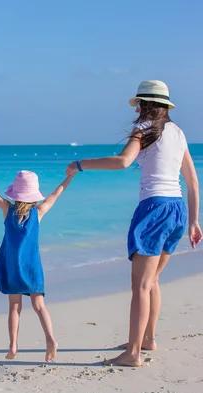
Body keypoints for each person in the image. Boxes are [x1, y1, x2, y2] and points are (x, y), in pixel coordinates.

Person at [66, 80, 202, 367]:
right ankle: (148, 339)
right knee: (151, 280)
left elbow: (123, 161)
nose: (137, 108)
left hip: (154, 209)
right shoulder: (178, 133)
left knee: (140, 285)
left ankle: (133, 354)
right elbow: (192, 182)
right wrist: (193, 221)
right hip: (176, 210)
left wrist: (80, 165)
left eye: (139, 103)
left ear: (145, 104)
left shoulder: (144, 129)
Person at [0, 167, 76, 362]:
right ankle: (50, 340)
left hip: (11, 265)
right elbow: (57, 193)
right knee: (39, 305)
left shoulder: (7, 209)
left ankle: (13, 345)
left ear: (15, 193)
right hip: (32, 265)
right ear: (34, 195)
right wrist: (71, 175)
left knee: (14, 306)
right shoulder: (39, 211)